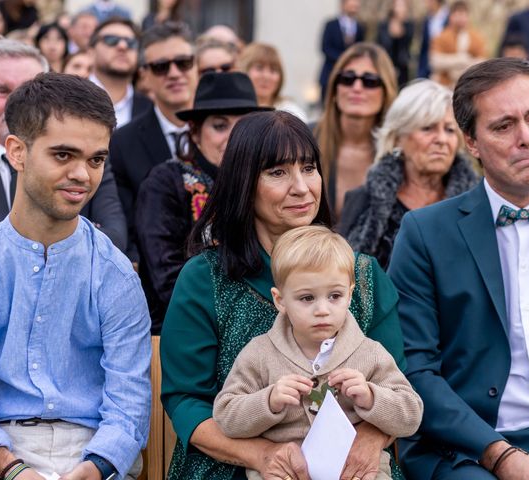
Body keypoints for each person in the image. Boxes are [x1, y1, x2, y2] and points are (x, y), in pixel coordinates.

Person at [390, 57, 529, 480]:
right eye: (503, 126)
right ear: (471, 142)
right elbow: (414, 370)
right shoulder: (424, 233)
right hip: (469, 450)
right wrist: (499, 454)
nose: (527, 138)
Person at [160, 110, 407, 480]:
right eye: (278, 172)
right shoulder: (205, 278)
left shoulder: (362, 276)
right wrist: (262, 455)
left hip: (350, 467)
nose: (302, 187)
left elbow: (400, 388)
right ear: (244, 183)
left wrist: (369, 442)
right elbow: (186, 400)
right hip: (231, 465)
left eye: (309, 168)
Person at [0, 72, 151, 480]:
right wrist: (12, 469)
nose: (82, 174)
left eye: (96, 159)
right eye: (63, 155)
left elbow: (129, 407)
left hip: (93, 455)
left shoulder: (115, 274)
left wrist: (94, 468)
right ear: (17, 152)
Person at [213, 225, 423, 480]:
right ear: (280, 300)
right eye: (307, 298)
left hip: (356, 472)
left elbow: (411, 415)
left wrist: (371, 397)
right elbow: (226, 416)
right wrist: (268, 401)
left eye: (334, 295)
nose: (322, 309)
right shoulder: (259, 354)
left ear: (350, 293)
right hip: (285, 471)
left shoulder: (371, 353)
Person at [134, 71, 269, 334]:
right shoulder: (165, 183)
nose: (233, 137)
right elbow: (168, 281)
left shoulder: (266, 183)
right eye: (220, 126)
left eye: (243, 127)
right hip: (184, 330)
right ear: (195, 133)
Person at [0, 39, 127, 252]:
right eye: (1, 90)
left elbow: (115, 235)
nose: (15, 102)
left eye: (29, 90)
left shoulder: (90, 159)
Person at [338, 79, 479, 268]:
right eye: (427, 128)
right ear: (397, 138)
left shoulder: (476, 204)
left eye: (450, 129)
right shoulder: (363, 201)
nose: (441, 140)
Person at [109, 21, 196, 269]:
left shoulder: (226, 136)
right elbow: (124, 221)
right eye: (161, 66)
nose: (174, 73)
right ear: (144, 75)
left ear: (197, 66)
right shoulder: (123, 143)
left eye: (183, 62)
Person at [314, 42, 397, 218]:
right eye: (347, 78)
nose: (357, 88)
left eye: (370, 81)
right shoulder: (304, 139)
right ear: (335, 90)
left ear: (386, 92)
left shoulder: (399, 152)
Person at [89, 17, 152, 128]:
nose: (123, 46)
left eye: (131, 43)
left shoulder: (150, 108)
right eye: (111, 40)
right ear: (91, 51)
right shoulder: (66, 98)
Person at [236, 42, 307, 122]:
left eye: (273, 70)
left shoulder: (292, 114)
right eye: (259, 68)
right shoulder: (233, 110)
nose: (266, 76)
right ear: (244, 71)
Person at [429, 0, 486, 90]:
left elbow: (482, 62)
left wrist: (456, 65)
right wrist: (460, 59)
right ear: (451, 16)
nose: (461, 18)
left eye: (463, 15)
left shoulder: (476, 37)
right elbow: (435, 61)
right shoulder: (441, 36)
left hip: (468, 86)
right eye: (457, 15)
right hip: (444, 86)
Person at [318, 0, 365, 104]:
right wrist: (344, 59)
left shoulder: (360, 28)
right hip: (330, 73)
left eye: (356, 5)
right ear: (343, 5)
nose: (354, 7)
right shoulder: (331, 25)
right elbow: (325, 47)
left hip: (350, 77)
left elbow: (360, 49)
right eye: (351, 4)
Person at [377, 0, 414, 88]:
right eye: (399, 6)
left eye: (403, 6)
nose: (401, 9)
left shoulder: (408, 25)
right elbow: (383, 45)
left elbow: (407, 45)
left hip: (402, 68)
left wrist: (401, 33)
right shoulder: (384, 25)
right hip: (387, 65)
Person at [417, 0, 449, 79]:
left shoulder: (449, 18)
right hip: (426, 67)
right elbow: (424, 48)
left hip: (444, 68)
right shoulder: (427, 19)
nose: (426, 3)